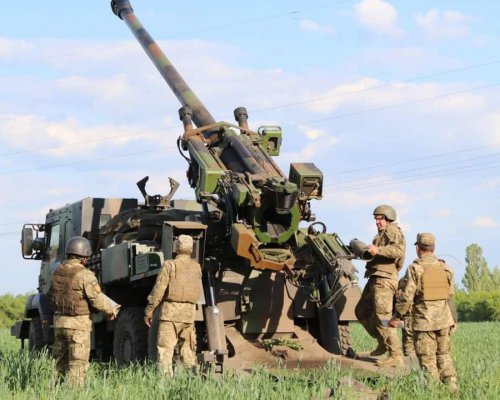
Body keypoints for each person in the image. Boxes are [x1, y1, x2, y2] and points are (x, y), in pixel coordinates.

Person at [389, 233, 458, 394]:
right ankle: (452, 388)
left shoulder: (415, 268)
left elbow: (407, 297)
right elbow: (450, 296)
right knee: (444, 356)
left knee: (428, 360)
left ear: (418, 248)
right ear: (433, 248)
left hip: (424, 323)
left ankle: (433, 393)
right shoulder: (446, 268)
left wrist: (396, 316)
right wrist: (454, 319)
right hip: (444, 321)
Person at [47, 236, 119, 386]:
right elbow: (96, 299)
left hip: (59, 324)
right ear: (84, 256)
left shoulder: (57, 272)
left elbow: (50, 297)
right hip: (78, 326)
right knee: (77, 364)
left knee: (60, 363)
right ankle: (74, 394)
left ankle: (55, 392)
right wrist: (110, 310)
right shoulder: (85, 275)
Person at [354, 204, 406, 367]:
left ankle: (395, 355)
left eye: (380, 219)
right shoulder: (381, 234)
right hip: (375, 277)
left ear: (388, 218)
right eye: (376, 219)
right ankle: (383, 342)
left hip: (385, 279)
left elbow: (398, 250)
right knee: (361, 310)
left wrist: (378, 250)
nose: (377, 222)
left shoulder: (393, 231)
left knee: (384, 318)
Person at [144, 234, 202, 376]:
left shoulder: (169, 265)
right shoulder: (197, 267)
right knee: (188, 351)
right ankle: (192, 380)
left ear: (177, 247)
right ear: (191, 249)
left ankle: (164, 383)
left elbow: (159, 290)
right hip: (188, 316)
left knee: (165, 350)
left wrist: (149, 310)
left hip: (170, 314)